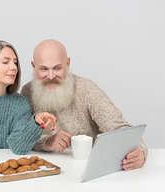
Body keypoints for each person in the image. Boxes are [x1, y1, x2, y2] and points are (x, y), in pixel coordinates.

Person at [21, 39, 147, 171]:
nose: (51, 76)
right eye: (44, 69)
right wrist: (47, 142)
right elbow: (20, 138)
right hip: (46, 171)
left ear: (68, 64)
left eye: (57, 68)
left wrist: (140, 152)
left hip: (91, 169)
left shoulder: (87, 89)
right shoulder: (27, 92)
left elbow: (119, 127)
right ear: (33, 66)